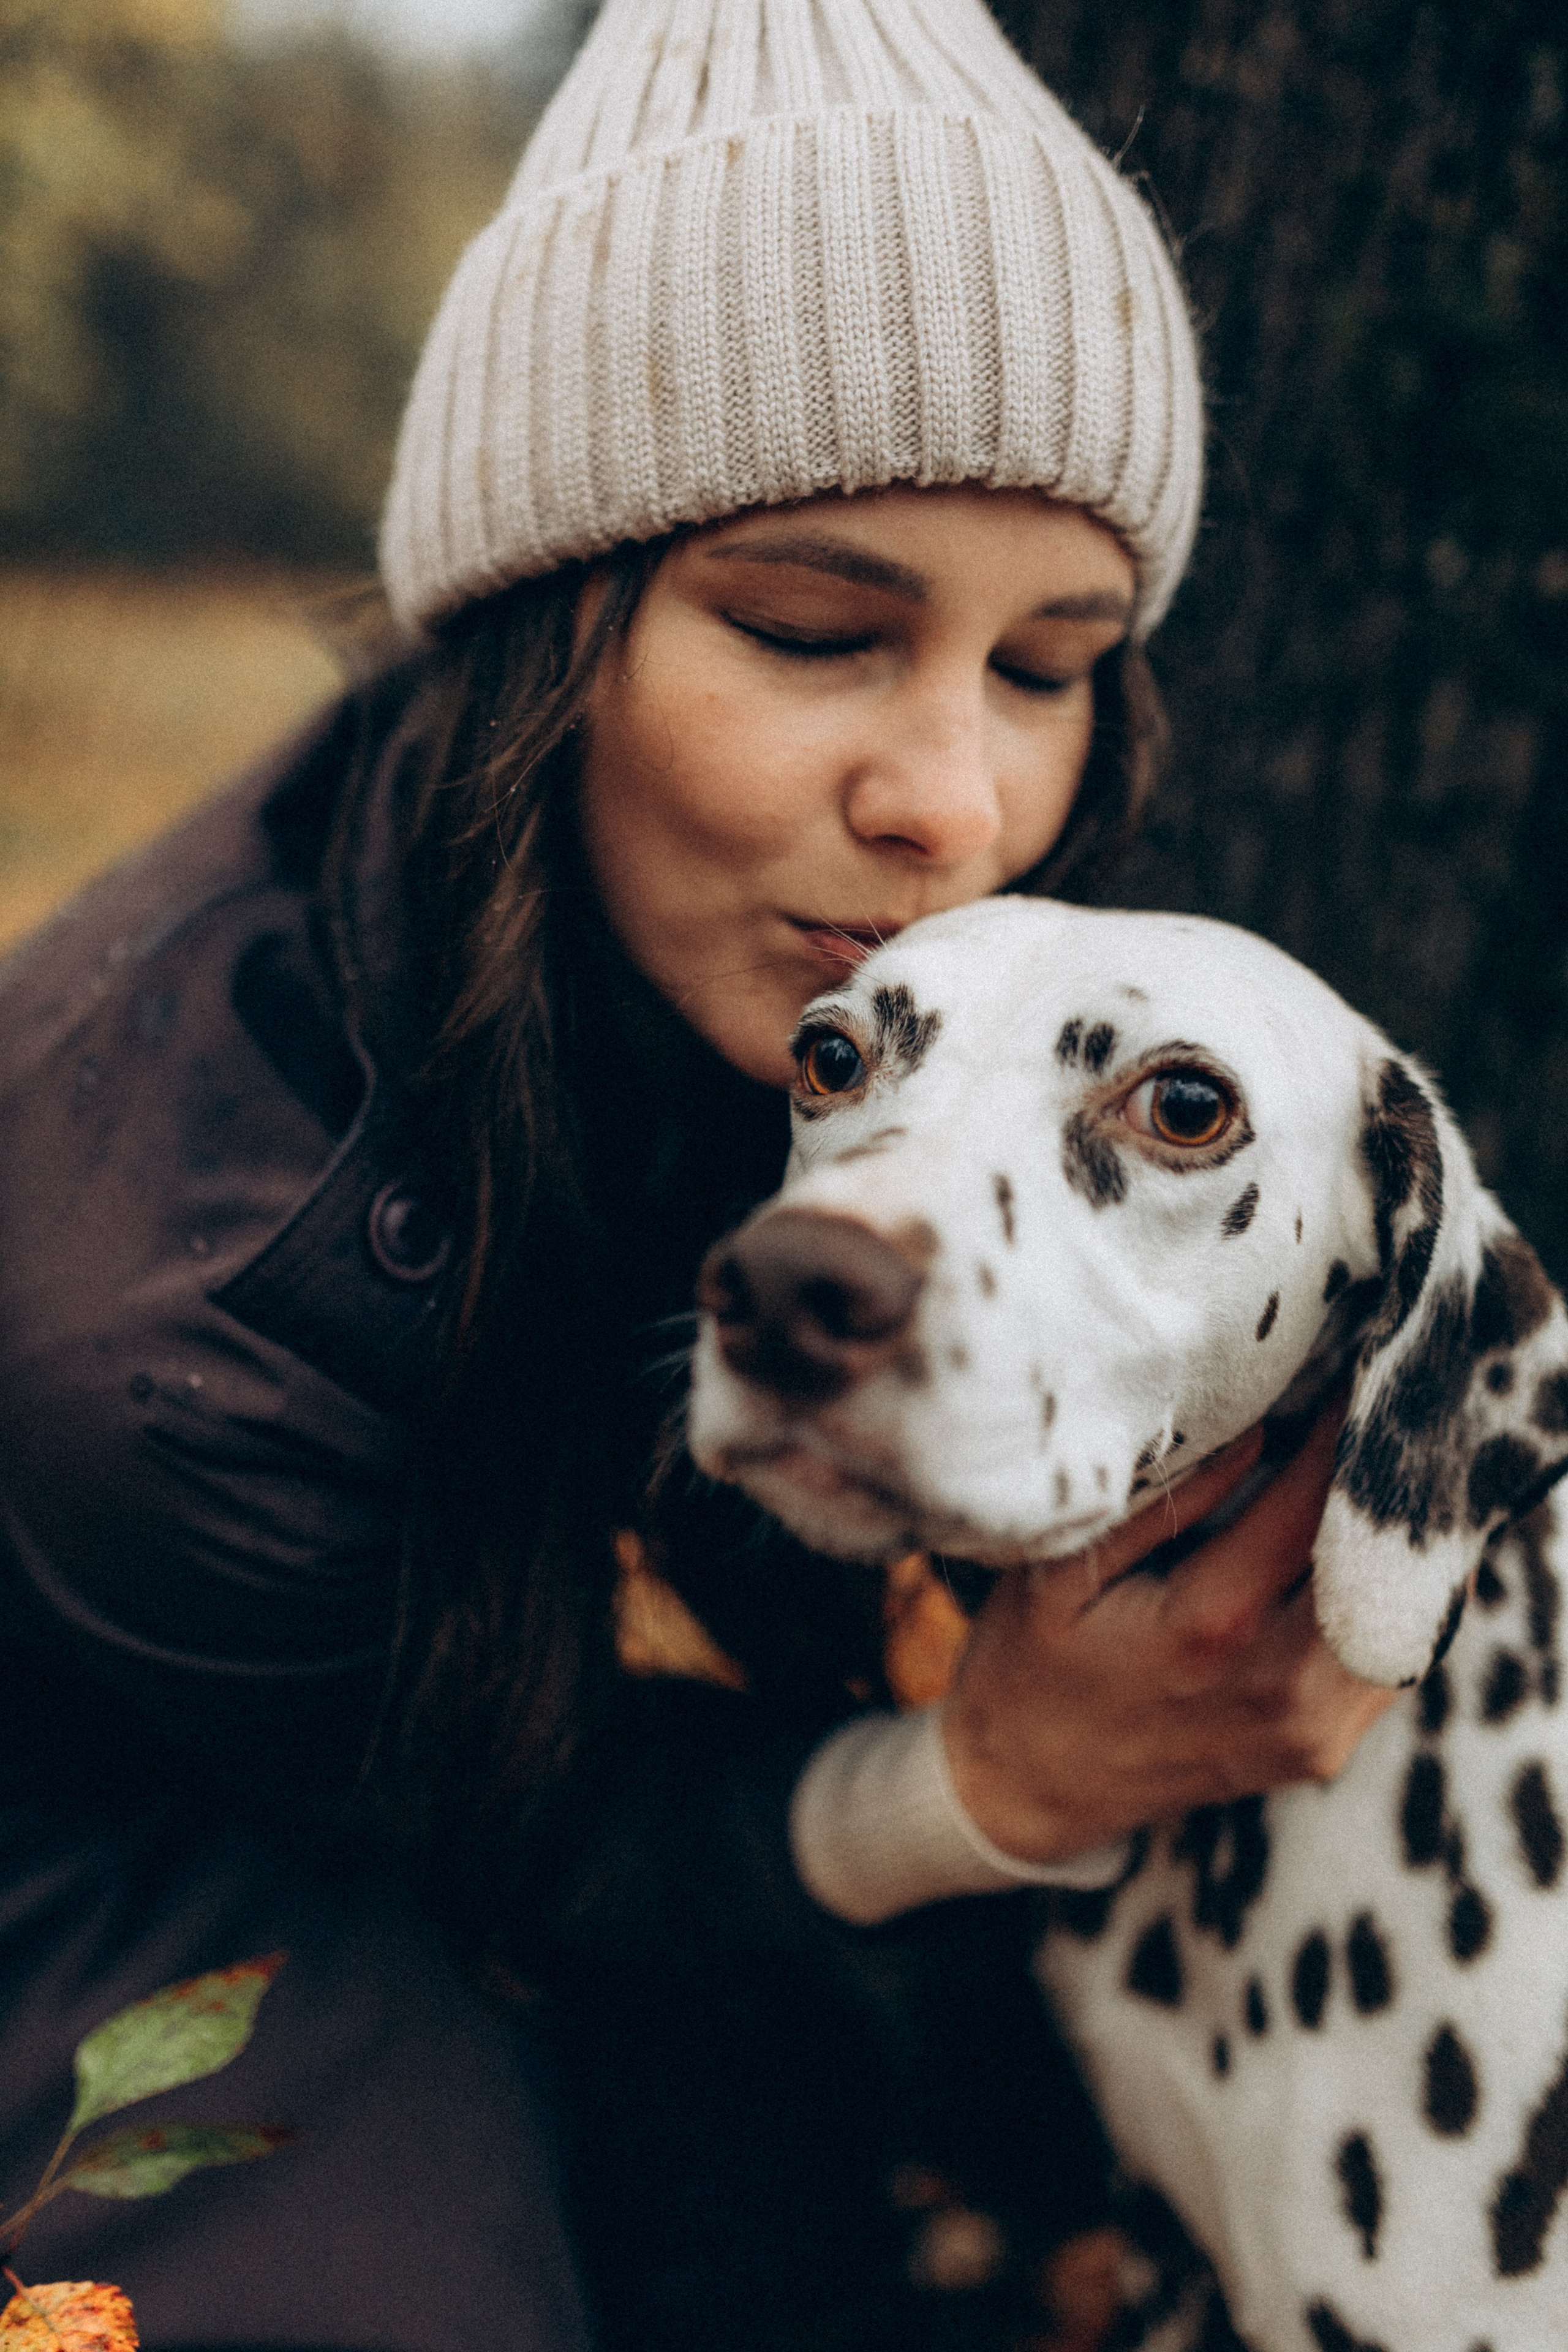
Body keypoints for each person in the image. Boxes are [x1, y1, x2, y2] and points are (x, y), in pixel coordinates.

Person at [0, 2, 1391, 2346]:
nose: (955, 804)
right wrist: (988, 1781)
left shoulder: (793, 951)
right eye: (814, 631)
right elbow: (526, 1841)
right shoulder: (180, 1295)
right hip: (151, 1830)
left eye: (1050, 664)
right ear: (546, 643)